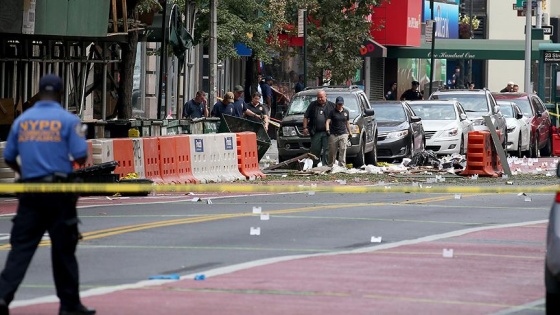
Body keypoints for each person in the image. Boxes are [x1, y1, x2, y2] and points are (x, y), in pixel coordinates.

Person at [0, 74, 95, 315]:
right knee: (63, 250)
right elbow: (81, 156)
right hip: (58, 193)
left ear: (39, 93)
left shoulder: (22, 121)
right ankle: (69, 305)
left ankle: (2, 297)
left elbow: (9, 156)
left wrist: (25, 172)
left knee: (21, 248)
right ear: (61, 94)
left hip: (31, 191)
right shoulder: (67, 120)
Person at [302, 89, 335, 167]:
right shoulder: (312, 105)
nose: (320, 99)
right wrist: (305, 128)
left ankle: (326, 166)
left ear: (325, 96)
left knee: (327, 150)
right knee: (315, 150)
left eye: (321, 97)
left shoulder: (332, 106)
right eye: (318, 97)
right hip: (315, 132)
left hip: (328, 133)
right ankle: (314, 165)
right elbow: (306, 117)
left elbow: (337, 117)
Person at [326, 96, 352, 167]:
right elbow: (328, 121)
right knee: (332, 151)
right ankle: (331, 165)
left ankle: (342, 165)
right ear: (336, 104)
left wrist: (350, 132)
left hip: (343, 133)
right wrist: (327, 130)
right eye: (339, 104)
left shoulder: (346, 112)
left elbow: (347, 122)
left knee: (343, 149)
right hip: (334, 134)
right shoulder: (332, 112)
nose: (340, 105)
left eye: (341, 104)